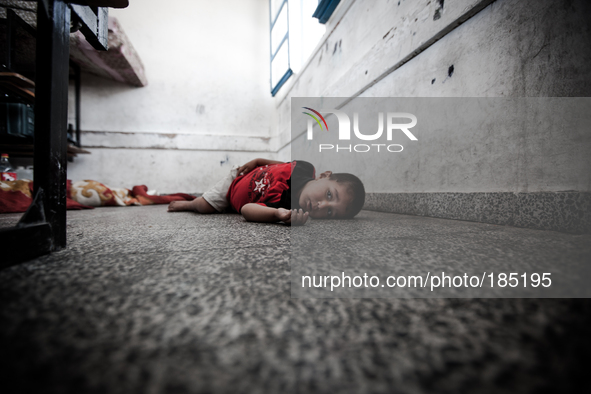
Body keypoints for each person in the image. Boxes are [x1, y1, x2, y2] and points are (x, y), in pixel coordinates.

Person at [167, 158, 365, 226]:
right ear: (324, 175)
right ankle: (190, 203)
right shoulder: (305, 167)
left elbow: (246, 209)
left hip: (231, 198)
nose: (322, 206)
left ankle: (195, 202)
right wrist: (259, 161)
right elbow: (281, 164)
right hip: (238, 177)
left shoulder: (286, 206)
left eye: (330, 212)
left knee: (207, 206)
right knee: (201, 205)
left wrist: (276, 215)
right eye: (330, 195)